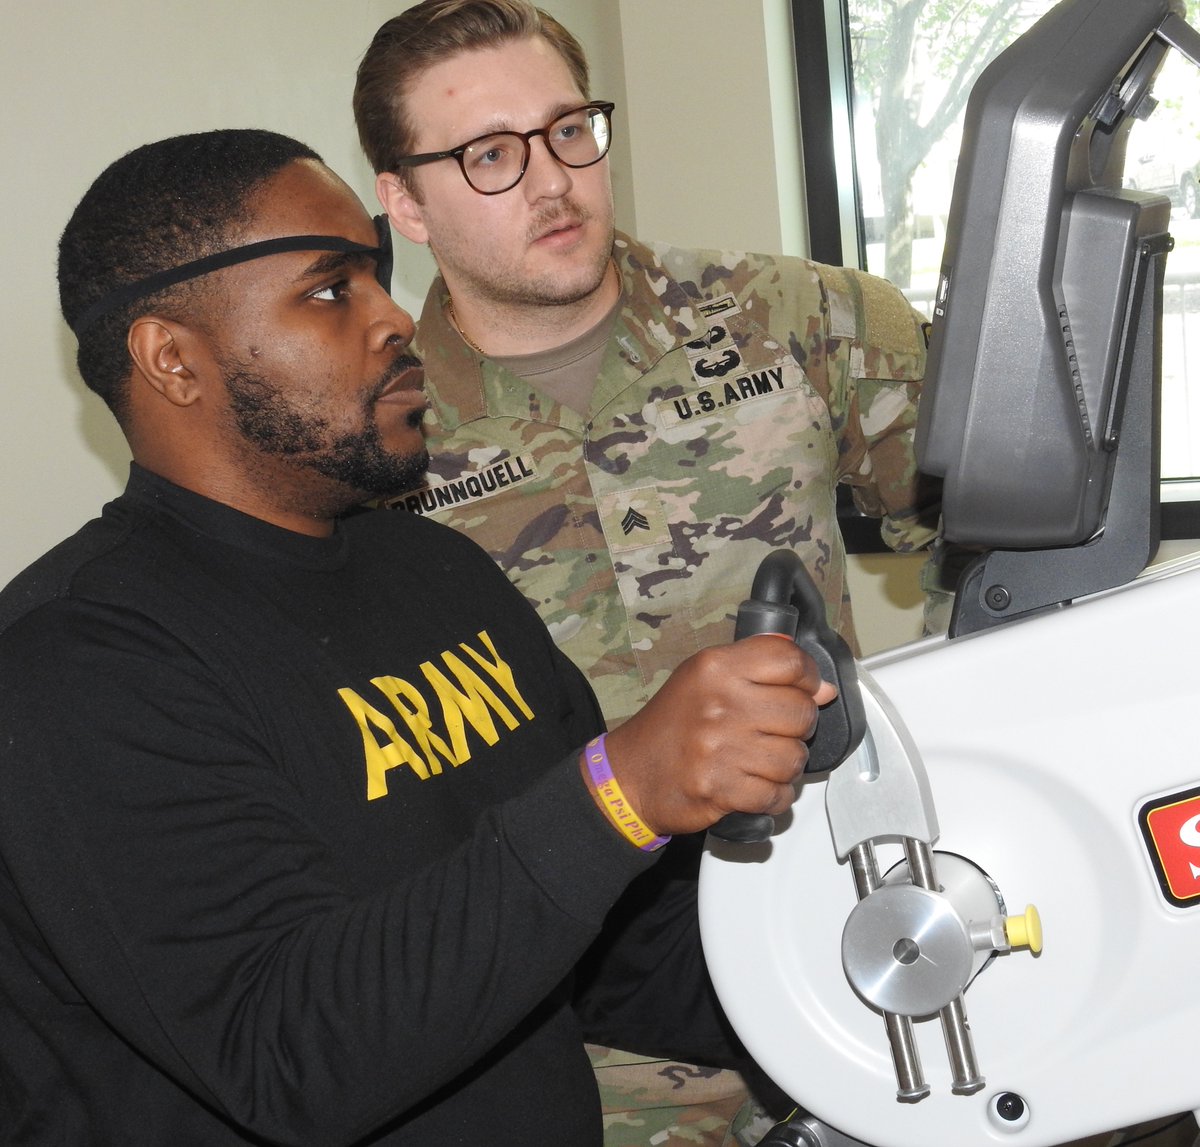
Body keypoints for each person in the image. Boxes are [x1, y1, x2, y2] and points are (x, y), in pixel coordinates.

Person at [0, 128, 836, 1145]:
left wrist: (863, 987)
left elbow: (606, 951)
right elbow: (286, 1054)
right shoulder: (72, 663)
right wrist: (617, 792)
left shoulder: (438, 572)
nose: (396, 316)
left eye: (376, 274)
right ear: (173, 359)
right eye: (329, 289)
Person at [352, 3, 941, 1143]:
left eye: (570, 130)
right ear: (406, 203)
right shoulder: (372, 440)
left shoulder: (801, 319)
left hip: (862, 952)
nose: (552, 179)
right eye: (490, 155)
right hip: (575, 1050)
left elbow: (1001, 541)